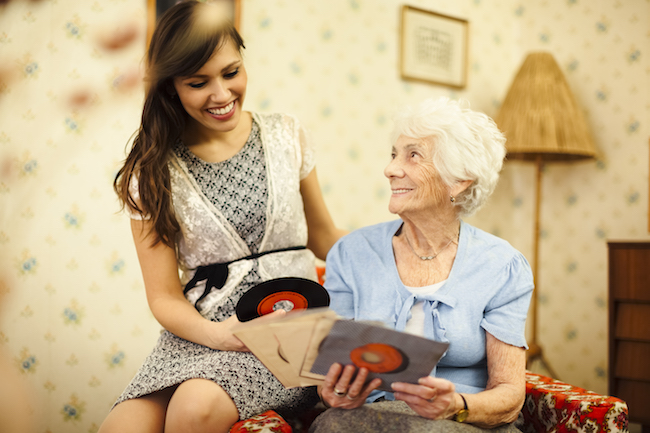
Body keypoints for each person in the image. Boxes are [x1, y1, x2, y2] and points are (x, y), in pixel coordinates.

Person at [98, 2, 345, 433]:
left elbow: (325, 236)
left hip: (286, 332)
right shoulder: (150, 171)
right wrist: (217, 336)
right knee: (120, 428)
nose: (221, 94)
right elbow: (163, 297)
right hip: (198, 335)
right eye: (198, 82)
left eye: (231, 73)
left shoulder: (287, 134)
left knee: (194, 408)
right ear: (171, 86)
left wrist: (401, 247)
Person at [311, 97, 534, 432]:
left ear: (458, 180)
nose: (390, 169)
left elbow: (510, 395)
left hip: (464, 422)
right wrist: (333, 392)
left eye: (412, 155)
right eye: (393, 154)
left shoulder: (502, 266)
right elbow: (330, 373)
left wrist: (457, 406)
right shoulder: (351, 253)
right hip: (368, 420)